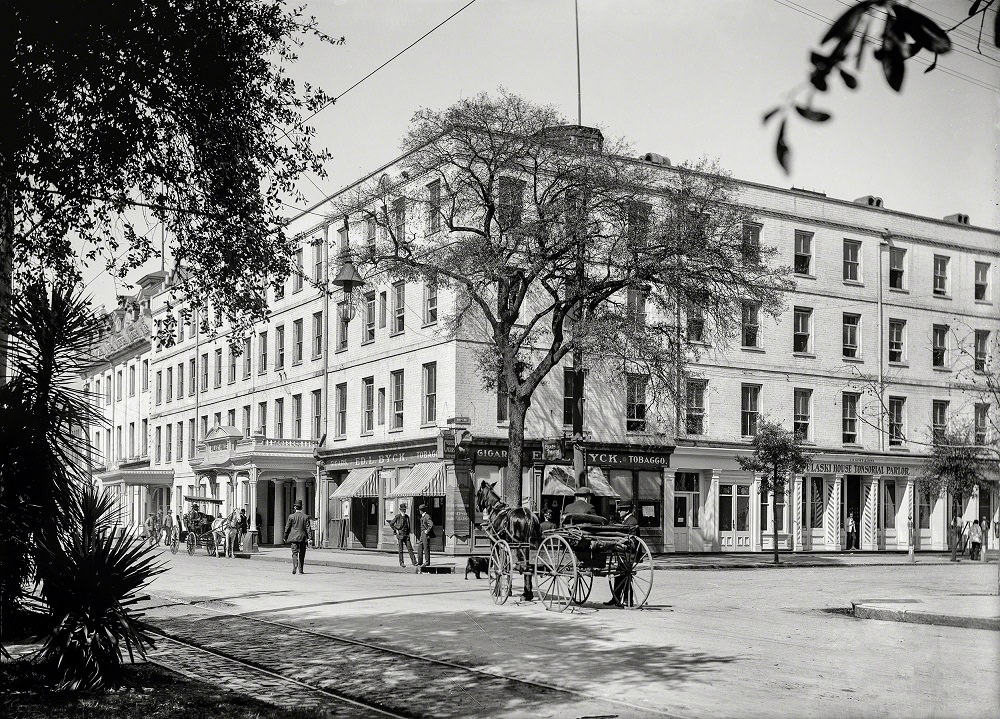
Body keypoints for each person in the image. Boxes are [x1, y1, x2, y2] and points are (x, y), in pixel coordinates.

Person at [605, 502, 640, 607]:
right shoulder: (625, 521)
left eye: (621, 510)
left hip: (630, 553)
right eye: (619, 510)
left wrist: (622, 543)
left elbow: (633, 540)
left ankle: (628, 599)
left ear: (627, 511)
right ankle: (615, 598)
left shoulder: (632, 521)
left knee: (626, 576)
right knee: (618, 575)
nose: (619, 512)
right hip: (623, 553)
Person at [283, 499, 311, 574]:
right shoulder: (305, 517)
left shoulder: (291, 517)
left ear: (295, 507)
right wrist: (309, 538)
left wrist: (285, 536)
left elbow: (287, 527)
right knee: (302, 554)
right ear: (302, 508)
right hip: (303, 538)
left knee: (294, 553)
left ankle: (295, 564)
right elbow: (308, 528)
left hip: (293, 538)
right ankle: (301, 570)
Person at [388, 503, 418, 567]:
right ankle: (401, 563)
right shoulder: (398, 516)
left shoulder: (407, 517)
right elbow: (391, 523)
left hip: (406, 535)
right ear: (400, 510)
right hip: (400, 534)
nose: (404, 511)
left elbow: (408, 525)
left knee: (410, 549)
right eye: (403, 509)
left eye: (405, 509)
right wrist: (396, 530)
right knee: (401, 550)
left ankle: (414, 562)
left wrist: (409, 533)